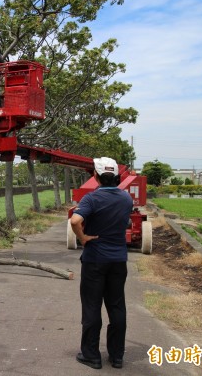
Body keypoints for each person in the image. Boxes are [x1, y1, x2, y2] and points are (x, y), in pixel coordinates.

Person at [70, 157, 133, 370]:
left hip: (95, 260)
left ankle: (91, 355)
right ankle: (116, 356)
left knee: (91, 306)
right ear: (116, 177)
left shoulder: (91, 199)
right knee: (116, 306)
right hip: (118, 260)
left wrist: (83, 238)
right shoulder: (126, 199)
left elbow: (75, 221)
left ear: (95, 176)